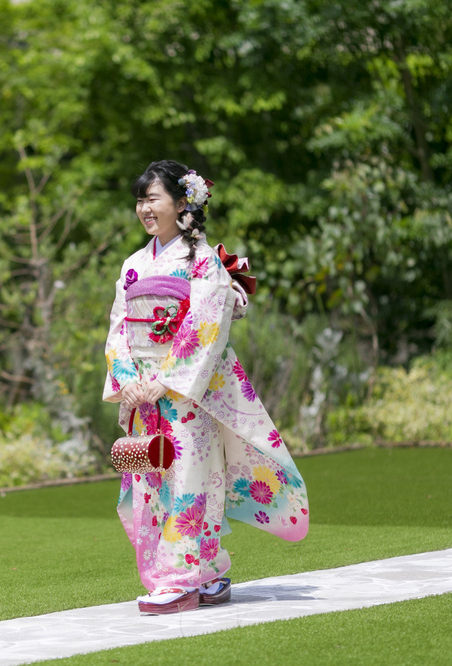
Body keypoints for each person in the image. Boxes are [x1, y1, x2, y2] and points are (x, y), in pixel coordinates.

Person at [103, 160, 309, 615]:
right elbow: (119, 329)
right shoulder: (133, 264)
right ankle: (209, 570)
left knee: (193, 481)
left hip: (186, 393)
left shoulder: (202, 261)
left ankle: (180, 579)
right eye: (140, 200)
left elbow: (206, 326)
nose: (144, 208)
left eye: (152, 198)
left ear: (182, 203)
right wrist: (131, 382)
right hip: (145, 394)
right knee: (153, 484)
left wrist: (163, 382)